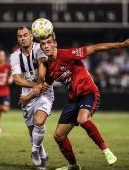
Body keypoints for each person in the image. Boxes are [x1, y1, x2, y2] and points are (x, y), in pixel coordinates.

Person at [20, 31, 129, 170]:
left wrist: (122, 45)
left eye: (49, 43)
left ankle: (105, 150)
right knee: (59, 136)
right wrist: (27, 98)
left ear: (55, 43)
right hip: (74, 99)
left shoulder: (67, 54)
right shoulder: (50, 68)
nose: (46, 46)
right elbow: (42, 86)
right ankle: (73, 165)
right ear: (40, 47)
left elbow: (95, 48)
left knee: (82, 119)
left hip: (89, 93)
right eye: (43, 44)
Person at [9, 26, 54, 170]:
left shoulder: (39, 48)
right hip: (28, 95)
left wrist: (40, 84)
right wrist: (36, 85)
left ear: (32, 36)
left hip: (45, 92)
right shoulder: (15, 56)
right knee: (31, 131)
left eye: (25, 35)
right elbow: (17, 80)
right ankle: (42, 152)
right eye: (20, 36)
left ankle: (34, 151)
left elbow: (42, 64)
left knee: (39, 121)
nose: (23, 38)